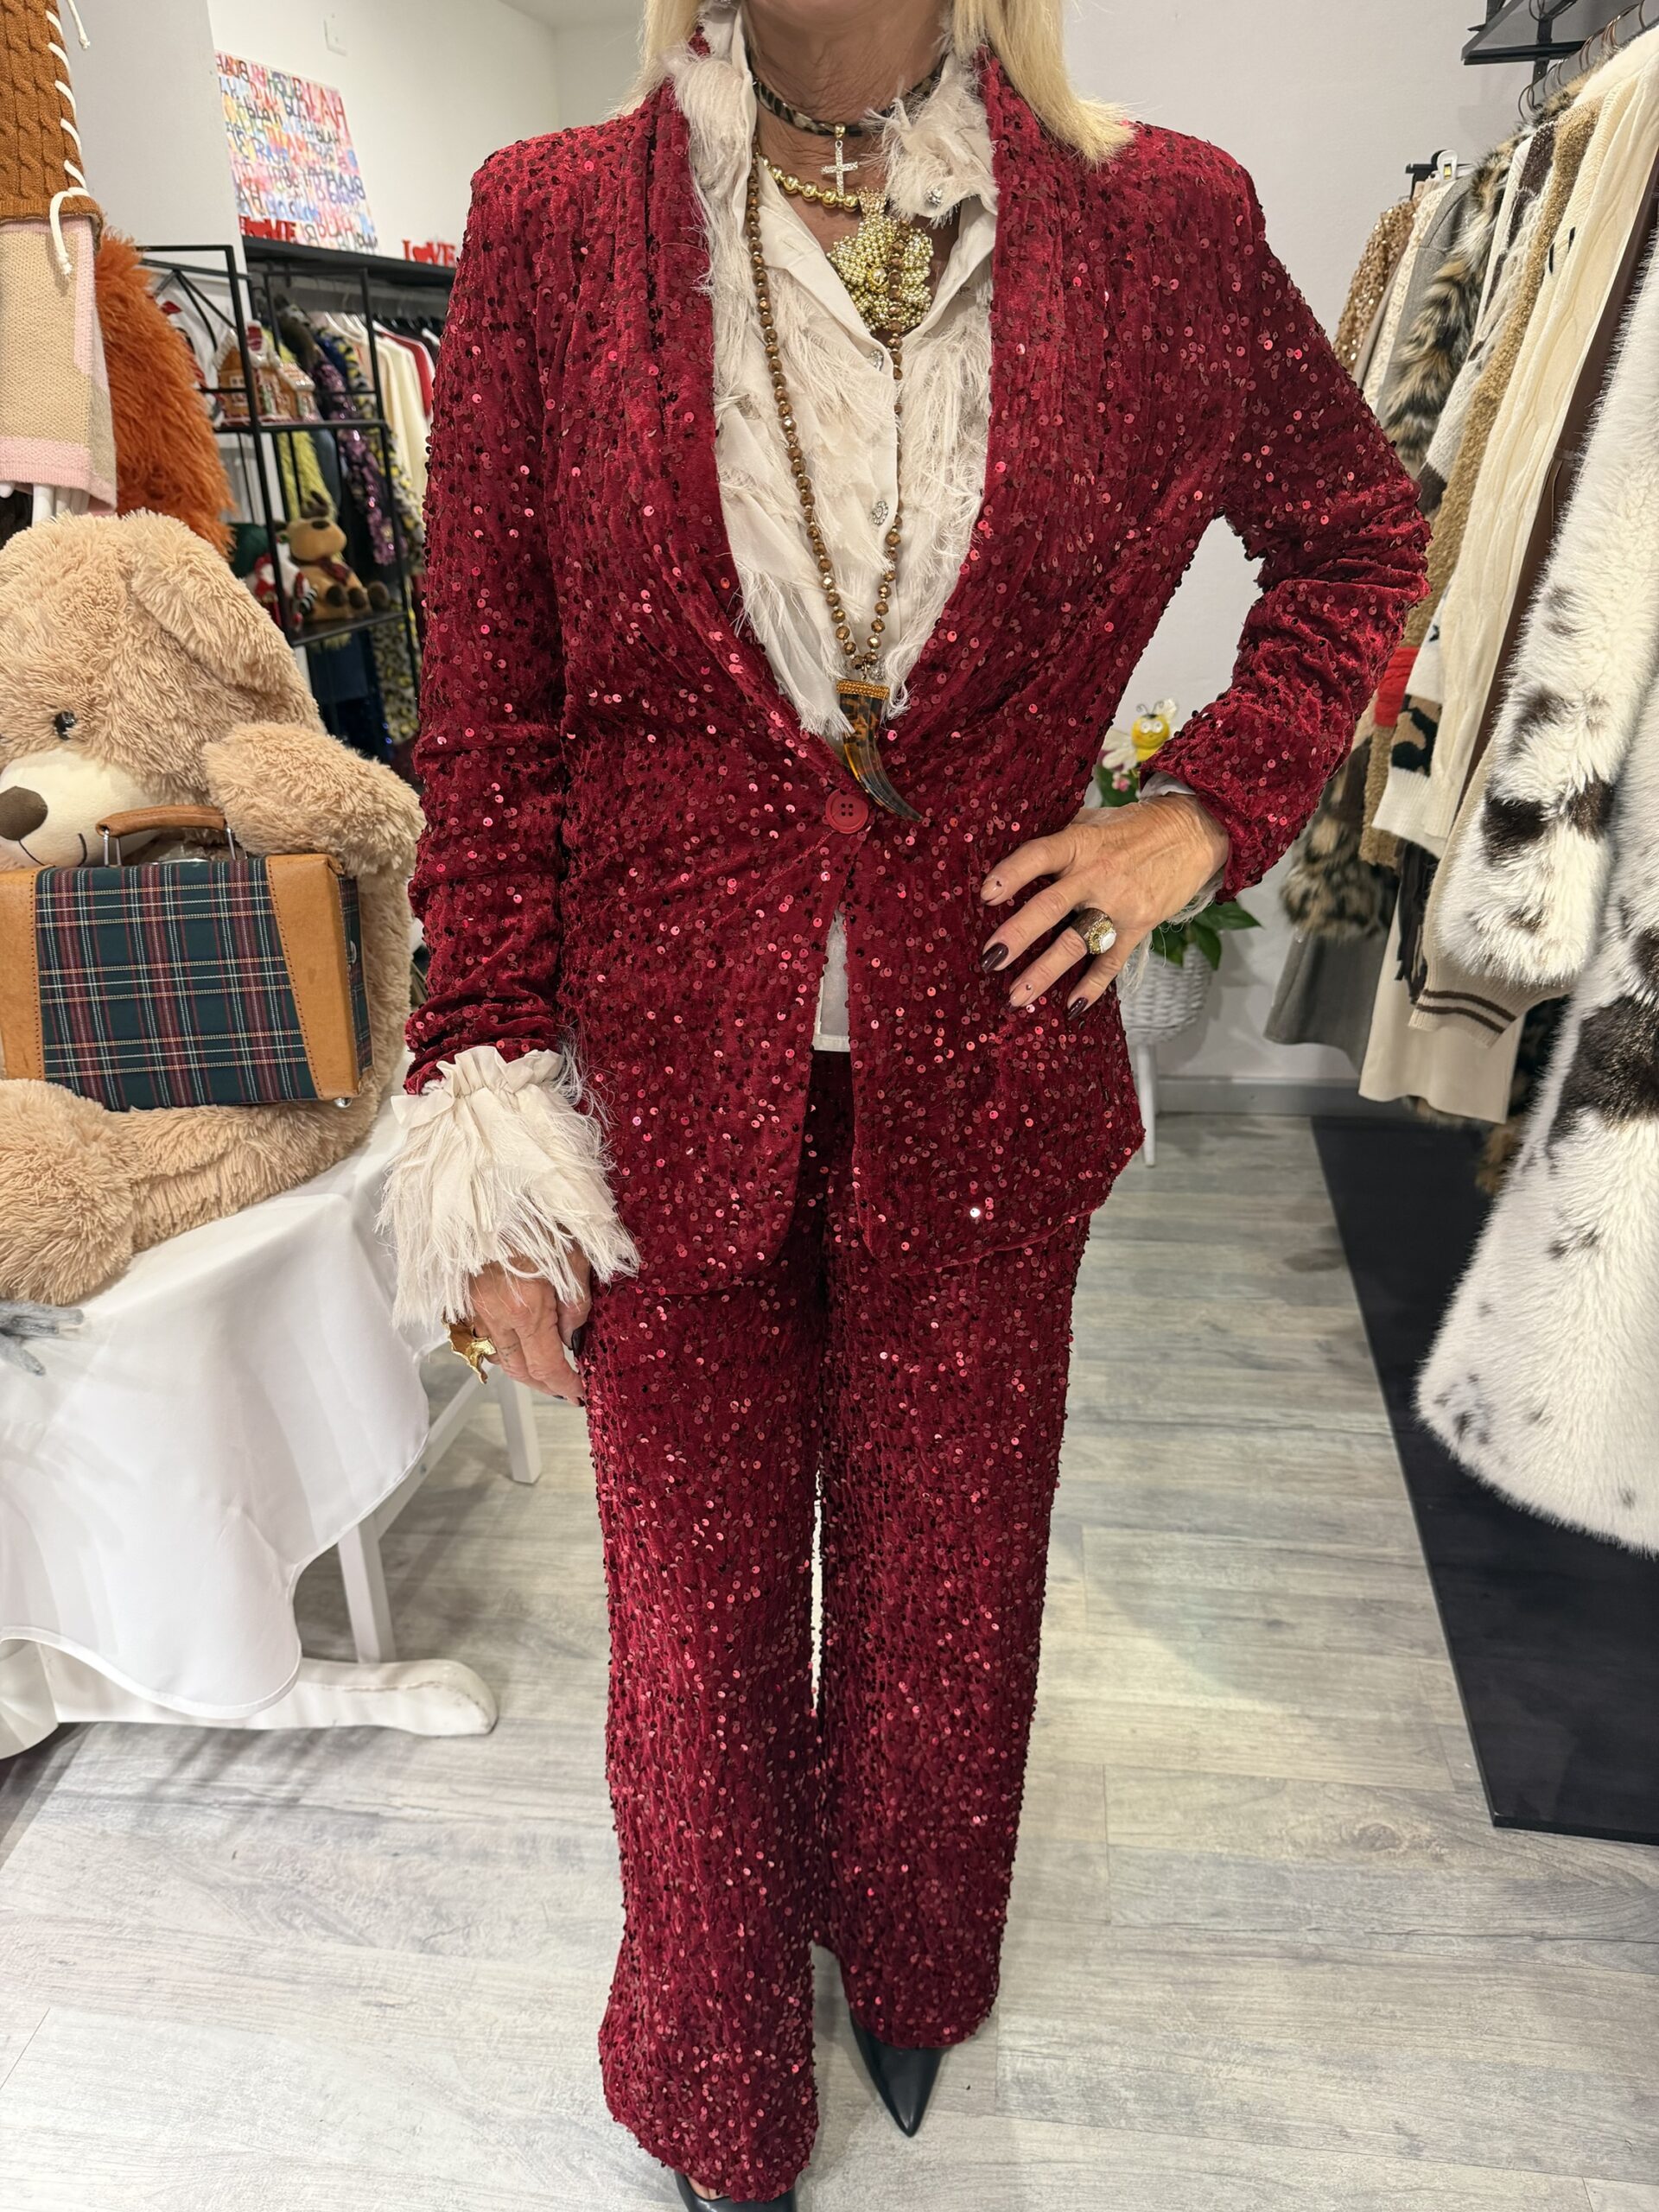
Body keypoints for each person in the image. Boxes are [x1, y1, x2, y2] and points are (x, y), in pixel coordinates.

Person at [384, 0, 1428, 2201]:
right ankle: (715, 2080)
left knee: (953, 1592)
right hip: (661, 1091)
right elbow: (486, 718)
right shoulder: (555, 226)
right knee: (692, 1647)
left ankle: (918, 1957)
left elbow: (1358, 540)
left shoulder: (1162, 224)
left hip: (994, 1064)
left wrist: (1199, 813)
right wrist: (478, 1106)